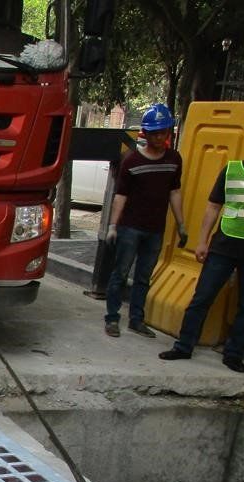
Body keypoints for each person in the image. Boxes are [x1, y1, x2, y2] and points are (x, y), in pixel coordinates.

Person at [158, 126, 244, 373]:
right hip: (224, 247)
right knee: (202, 297)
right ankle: (184, 345)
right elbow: (213, 207)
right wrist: (203, 241)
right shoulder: (233, 170)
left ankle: (234, 354)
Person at [103, 104, 188, 339]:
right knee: (120, 273)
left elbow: (175, 192)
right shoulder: (131, 161)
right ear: (146, 134)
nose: (159, 137)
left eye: (163, 132)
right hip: (130, 228)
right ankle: (112, 318)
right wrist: (113, 226)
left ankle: (137, 319)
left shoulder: (174, 159)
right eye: (155, 133)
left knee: (143, 277)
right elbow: (121, 196)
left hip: (155, 229)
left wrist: (181, 224)